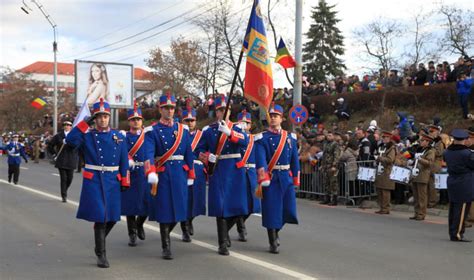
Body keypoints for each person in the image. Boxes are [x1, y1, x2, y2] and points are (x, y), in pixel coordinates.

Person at [65, 98, 130, 268]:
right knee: (101, 217)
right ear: (95, 118)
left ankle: (98, 243)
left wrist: (125, 178)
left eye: (105, 116)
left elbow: (124, 159)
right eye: (99, 116)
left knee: (113, 218)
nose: (102, 119)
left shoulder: (118, 136)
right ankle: (101, 254)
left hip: (113, 180)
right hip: (94, 180)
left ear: (109, 117)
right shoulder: (87, 136)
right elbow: (70, 141)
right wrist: (84, 124)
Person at [144, 93, 195, 260]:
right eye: (166, 108)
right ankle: (166, 246)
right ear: (160, 109)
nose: (169, 111)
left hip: (179, 173)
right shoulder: (152, 131)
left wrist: (191, 172)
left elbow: (189, 152)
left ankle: (168, 235)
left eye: (172, 108)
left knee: (180, 210)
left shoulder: (183, 130)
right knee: (165, 210)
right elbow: (149, 153)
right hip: (163, 174)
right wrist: (150, 170)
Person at [196, 94, 249, 256]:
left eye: (225, 110)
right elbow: (197, 150)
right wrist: (207, 158)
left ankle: (225, 234)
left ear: (229, 112)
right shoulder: (209, 130)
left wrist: (230, 133)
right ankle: (222, 243)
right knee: (220, 207)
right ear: (216, 112)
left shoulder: (238, 128)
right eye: (220, 110)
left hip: (235, 169)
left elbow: (245, 141)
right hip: (219, 169)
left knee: (239, 207)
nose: (223, 112)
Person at [255, 103, 300, 254]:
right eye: (271, 116)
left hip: (286, 177)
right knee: (271, 210)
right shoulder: (262, 138)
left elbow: (295, 160)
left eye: (276, 116)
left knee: (288, 209)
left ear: (282, 118)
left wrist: (296, 179)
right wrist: (263, 177)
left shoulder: (290, 137)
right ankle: (272, 239)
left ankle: (277, 229)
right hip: (272, 178)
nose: (273, 118)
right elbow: (260, 160)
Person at [120, 105, 149, 247]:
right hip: (131, 172)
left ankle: (139, 224)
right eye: (133, 119)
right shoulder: (124, 136)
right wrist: (127, 158)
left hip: (145, 171)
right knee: (130, 204)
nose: (136, 122)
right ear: (129, 122)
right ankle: (132, 233)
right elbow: (120, 152)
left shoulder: (148, 136)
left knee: (147, 202)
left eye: (138, 119)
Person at [231, 110, 261, 242]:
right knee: (240, 202)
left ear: (250, 125)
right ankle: (241, 228)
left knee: (253, 204)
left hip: (252, 173)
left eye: (247, 123)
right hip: (239, 173)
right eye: (242, 122)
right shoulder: (234, 138)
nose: (244, 125)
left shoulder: (256, 139)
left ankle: (241, 221)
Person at [180, 106, 206, 242]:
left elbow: (207, 149)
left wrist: (206, 156)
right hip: (183, 169)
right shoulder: (178, 133)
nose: (189, 123)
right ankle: (184, 227)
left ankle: (190, 219)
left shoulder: (201, 135)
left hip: (198, 171)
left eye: (192, 120)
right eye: (187, 120)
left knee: (197, 199)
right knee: (185, 199)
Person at [443, 129, 474, 242]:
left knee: (453, 208)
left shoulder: (447, 152)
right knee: (462, 210)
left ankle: (452, 231)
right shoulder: (467, 153)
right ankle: (457, 233)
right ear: (464, 140)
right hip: (464, 183)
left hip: (452, 181)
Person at [48, 120, 78, 202]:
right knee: (63, 178)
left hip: (71, 159)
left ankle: (65, 189)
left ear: (71, 126)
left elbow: (77, 146)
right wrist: (54, 154)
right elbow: (50, 145)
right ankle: (64, 195)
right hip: (61, 159)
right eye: (65, 125)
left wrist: (69, 142)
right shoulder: (58, 136)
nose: (67, 126)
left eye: (69, 125)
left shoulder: (74, 136)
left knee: (70, 178)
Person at [409, 133, 435, 221]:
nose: (421, 142)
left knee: (422, 196)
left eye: (423, 141)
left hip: (423, 175)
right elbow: (416, 160)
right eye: (421, 140)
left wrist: (420, 159)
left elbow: (429, 163)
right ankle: (416, 213)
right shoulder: (419, 149)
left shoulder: (430, 151)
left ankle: (421, 213)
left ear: (427, 142)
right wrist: (411, 161)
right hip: (415, 174)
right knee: (416, 196)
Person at [374, 131, 397, 214]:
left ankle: (386, 208)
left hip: (387, 171)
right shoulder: (381, 147)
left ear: (389, 138)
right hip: (380, 170)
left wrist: (379, 158)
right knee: (379, 189)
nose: (383, 139)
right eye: (383, 137)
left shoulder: (392, 148)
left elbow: (390, 160)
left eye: (385, 137)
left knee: (385, 190)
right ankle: (381, 207)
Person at [320, 131, 341, 205]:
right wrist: (322, 165)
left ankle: (334, 199)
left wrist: (334, 166)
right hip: (326, 166)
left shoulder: (335, 144)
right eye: (328, 135)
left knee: (333, 183)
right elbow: (324, 155)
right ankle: (327, 198)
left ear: (333, 136)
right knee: (326, 183)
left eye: (330, 135)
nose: (328, 137)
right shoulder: (326, 144)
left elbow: (336, 156)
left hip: (332, 166)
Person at [427, 125, 445, 208]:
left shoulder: (439, 142)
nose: (430, 133)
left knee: (433, 185)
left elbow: (439, 153)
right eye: (429, 131)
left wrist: (431, 150)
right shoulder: (430, 141)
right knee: (427, 184)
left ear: (437, 132)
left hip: (435, 165)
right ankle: (427, 200)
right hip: (429, 164)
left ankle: (432, 202)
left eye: (432, 131)